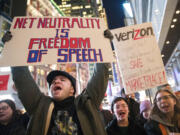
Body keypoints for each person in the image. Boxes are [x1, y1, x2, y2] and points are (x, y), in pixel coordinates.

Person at [3, 31, 111, 135]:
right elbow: (22, 78)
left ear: (72, 89)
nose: (56, 81)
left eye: (62, 80)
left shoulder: (87, 103)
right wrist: (13, 47)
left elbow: (101, 74)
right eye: (53, 82)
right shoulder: (39, 105)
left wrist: (104, 44)